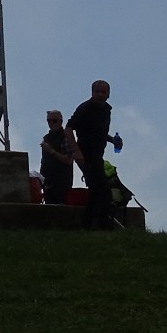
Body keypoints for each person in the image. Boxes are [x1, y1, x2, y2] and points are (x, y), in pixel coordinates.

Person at [65, 80, 120, 230]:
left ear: (108, 94)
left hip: (97, 154)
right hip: (86, 154)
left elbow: (99, 132)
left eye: (103, 92)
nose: (100, 95)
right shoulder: (85, 108)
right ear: (92, 92)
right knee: (103, 192)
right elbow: (68, 129)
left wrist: (112, 140)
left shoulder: (106, 110)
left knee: (96, 192)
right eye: (97, 91)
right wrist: (76, 151)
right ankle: (102, 226)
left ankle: (87, 226)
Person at [38, 109, 74, 204]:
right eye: (49, 121)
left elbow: (69, 160)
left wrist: (51, 151)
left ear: (61, 122)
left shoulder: (65, 137)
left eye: (54, 121)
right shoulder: (46, 138)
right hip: (47, 182)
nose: (51, 123)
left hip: (61, 183)